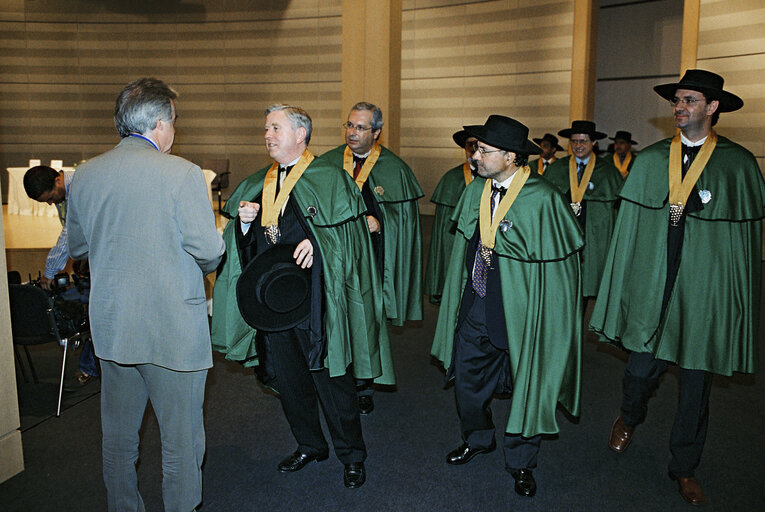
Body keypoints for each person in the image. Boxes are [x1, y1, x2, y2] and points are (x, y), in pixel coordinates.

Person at [590, 69, 763, 506]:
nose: (679, 108)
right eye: (676, 101)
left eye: (689, 100)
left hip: (701, 292)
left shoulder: (737, 165)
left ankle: (684, 468)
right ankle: (630, 415)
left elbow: (741, 250)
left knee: (695, 388)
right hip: (654, 285)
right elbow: (628, 235)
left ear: (712, 107)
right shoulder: (650, 161)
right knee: (638, 372)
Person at [211, 104, 394, 489]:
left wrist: (320, 245)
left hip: (318, 302)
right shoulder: (259, 182)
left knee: (332, 382)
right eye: (266, 129)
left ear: (300, 134)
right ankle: (310, 445)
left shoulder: (331, 179)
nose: (267, 135)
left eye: (275, 128)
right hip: (274, 304)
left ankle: (352, 455)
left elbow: (352, 242)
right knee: (290, 380)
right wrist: (244, 228)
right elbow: (250, 251)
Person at [67, 77, 225, 512]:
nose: (175, 129)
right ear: (159, 123)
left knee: (118, 442)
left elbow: (78, 248)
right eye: (174, 120)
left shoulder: (86, 174)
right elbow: (209, 252)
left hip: (114, 330)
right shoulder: (184, 173)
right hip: (172, 330)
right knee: (181, 443)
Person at [431, 115, 584, 498]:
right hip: (477, 307)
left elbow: (562, 272)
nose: (475, 157)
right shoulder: (475, 191)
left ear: (512, 156)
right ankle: (479, 438)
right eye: (476, 149)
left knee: (528, 388)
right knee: (466, 384)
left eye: (484, 151)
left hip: (523, 314)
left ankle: (521, 463)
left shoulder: (544, 199)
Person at [322, 101, 422, 414]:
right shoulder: (328, 163)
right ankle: (334, 375)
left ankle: (363, 384)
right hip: (335, 256)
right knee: (333, 316)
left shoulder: (394, 169)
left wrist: (380, 223)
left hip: (372, 259)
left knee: (366, 321)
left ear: (376, 132)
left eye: (361, 127)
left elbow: (401, 220)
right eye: (349, 125)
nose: (352, 133)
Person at [23, 165, 98, 388]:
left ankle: (90, 365)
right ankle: (91, 365)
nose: (50, 204)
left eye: (50, 198)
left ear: (57, 180)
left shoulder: (80, 187)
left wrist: (50, 271)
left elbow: (69, 234)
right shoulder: (63, 191)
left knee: (97, 312)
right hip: (89, 256)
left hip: (107, 255)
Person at [544, 120, 622, 300]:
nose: (578, 146)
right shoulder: (557, 168)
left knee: (588, 283)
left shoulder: (609, 172)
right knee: (562, 285)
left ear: (594, 143)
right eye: (574, 141)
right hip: (564, 234)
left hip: (593, 236)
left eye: (583, 141)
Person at [423, 128, 478, 303]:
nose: (474, 150)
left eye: (479, 146)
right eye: (471, 145)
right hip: (457, 246)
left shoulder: (496, 178)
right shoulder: (451, 179)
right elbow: (443, 234)